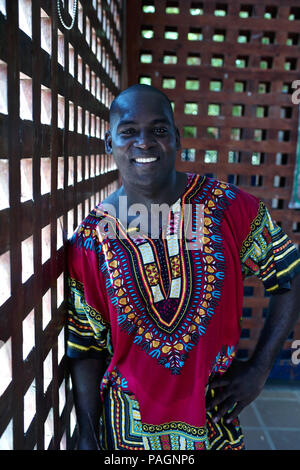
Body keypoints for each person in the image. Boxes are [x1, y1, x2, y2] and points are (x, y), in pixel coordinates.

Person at [66, 84, 300, 451]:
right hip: (127, 432)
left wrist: (258, 370)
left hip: (213, 425)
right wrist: (86, 433)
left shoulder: (228, 208)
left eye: (159, 130)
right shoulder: (91, 240)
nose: (144, 142)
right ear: (109, 144)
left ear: (176, 139)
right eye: (128, 132)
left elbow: (290, 275)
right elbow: (86, 346)